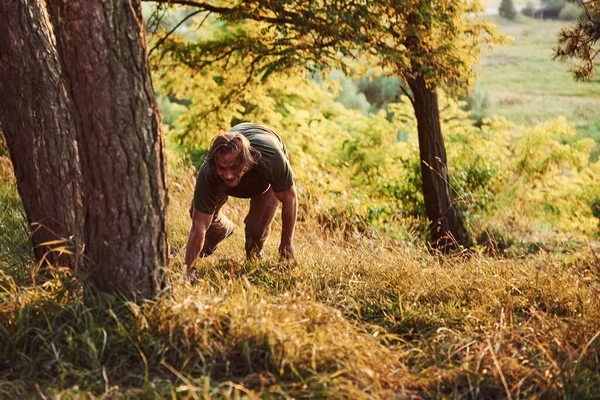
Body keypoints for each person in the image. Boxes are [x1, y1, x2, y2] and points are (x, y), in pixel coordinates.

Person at [185, 122, 297, 279]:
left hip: (264, 178)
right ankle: (223, 229)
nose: (229, 175)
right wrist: (189, 271)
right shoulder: (209, 172)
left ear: (246, 161)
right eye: (223, 168)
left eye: (235, 167)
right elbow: (198, 226)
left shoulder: (270, 158)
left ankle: (255, 252)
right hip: (229, 165)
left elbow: (290, 198)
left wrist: (287, 244)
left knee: (256, 231)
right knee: (199, 215)